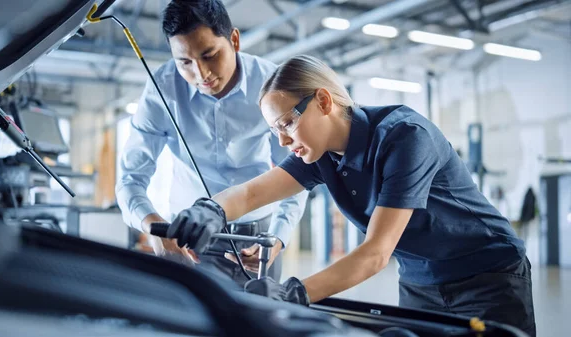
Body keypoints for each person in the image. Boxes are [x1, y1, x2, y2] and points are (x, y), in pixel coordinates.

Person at [158, 55, 536, 337]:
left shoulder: (405, 137)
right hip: (420, 283)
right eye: (275, 130)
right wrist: (209, 210)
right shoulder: (318, 154)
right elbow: (253, 191)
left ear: (323, 101)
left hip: (489, 278)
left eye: (287, 123)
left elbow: (375, 254)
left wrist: (294, 294)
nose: (283, 141)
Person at [115, 0, 308, 286]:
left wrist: (277, 238)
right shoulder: (161, 88)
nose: (201, 74)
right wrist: (153, 227)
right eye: (185, 62)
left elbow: (297, 171)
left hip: (257, 239)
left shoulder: (271, 83)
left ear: (234, 40)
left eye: (210, 55)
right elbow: (130, 178)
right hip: (187, 241)